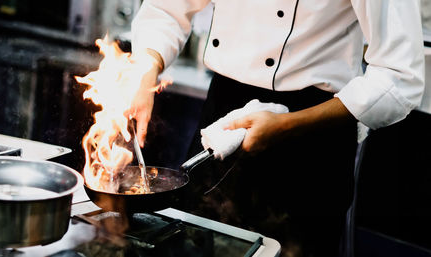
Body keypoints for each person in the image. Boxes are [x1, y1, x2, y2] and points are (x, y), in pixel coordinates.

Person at [127, 1, 424, 256]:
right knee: (195, 242)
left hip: (314, 132)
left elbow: (399, 77)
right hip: (224, 116)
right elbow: (166, 8)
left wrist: (289, 125)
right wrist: (147, 67)